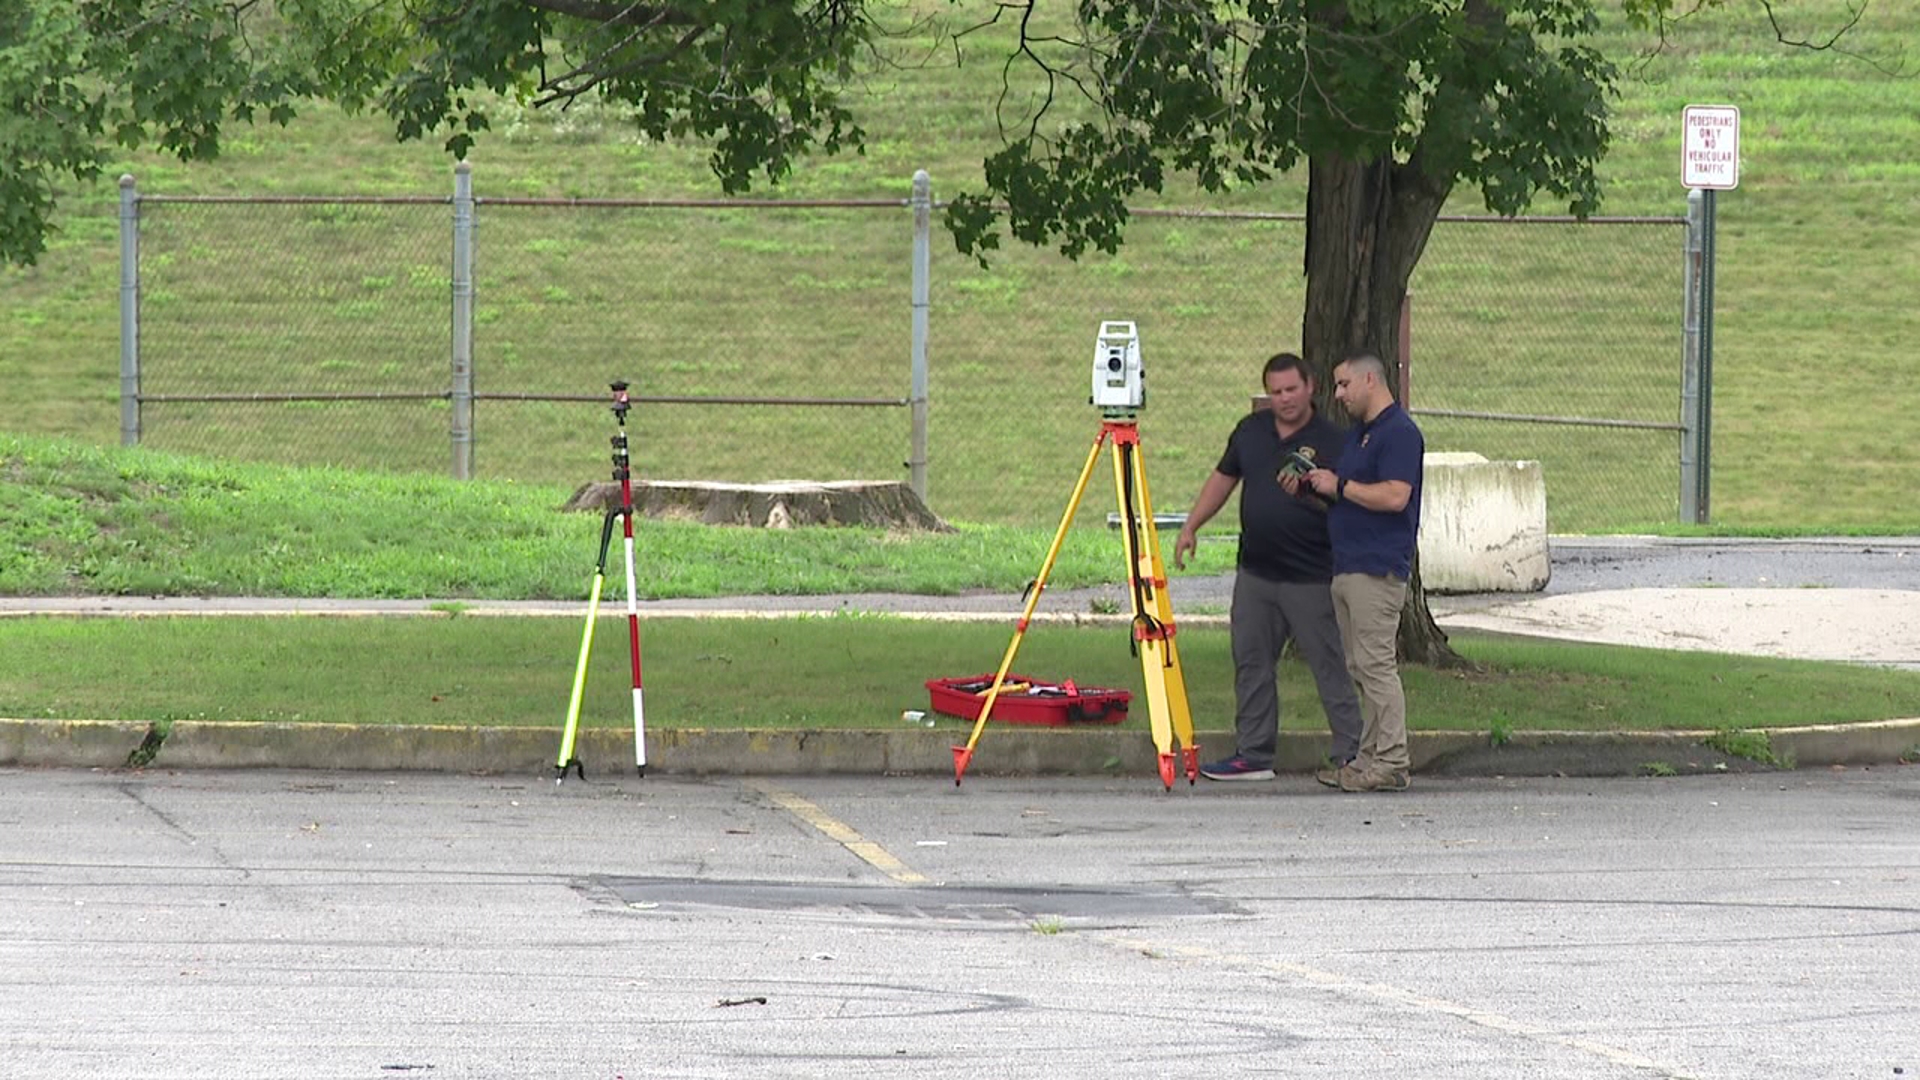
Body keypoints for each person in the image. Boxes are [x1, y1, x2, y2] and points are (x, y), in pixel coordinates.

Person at [1173, 352, 1363, 782]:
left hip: (1311, 574)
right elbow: (1222, 479)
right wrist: (1191, 526)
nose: (1284, 399)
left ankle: (1352, 752)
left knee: (1328, 663)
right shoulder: (1250, 431)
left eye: (1291, 389)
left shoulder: (1333, 440)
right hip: (1256, 574)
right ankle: (1254, 754)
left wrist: (1312, 492)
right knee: (1251, 661)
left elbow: (1345, 501)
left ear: (1310, 387)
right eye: (1275, 392)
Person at [1295, 352, 1425, 793]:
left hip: (1377, 567)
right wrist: (1316, 488)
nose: (1339, 394)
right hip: (1348, 564)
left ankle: (1392, 761)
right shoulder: (1361, 438)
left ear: (1371, 379)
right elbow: (1349, 496)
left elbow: (1394, 496)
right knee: (1360, 666)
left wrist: (1342, 486)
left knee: (1376, 664)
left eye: (1345, 384)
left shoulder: (1400, 434)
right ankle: (1367, 759)